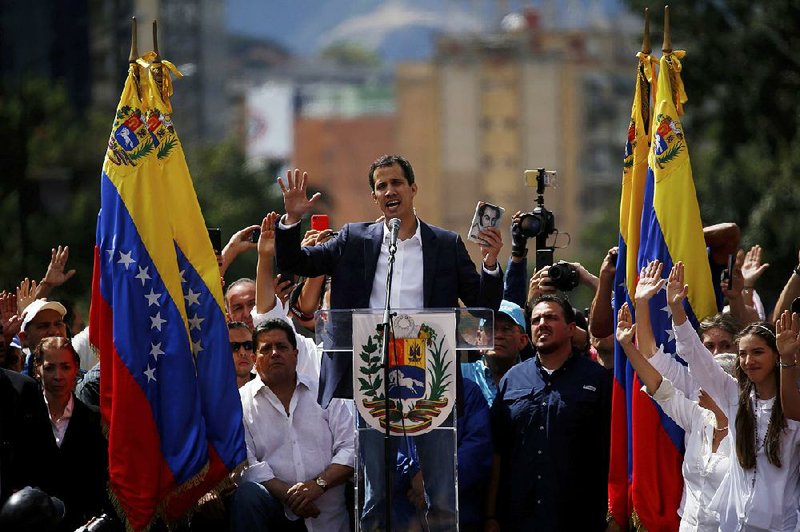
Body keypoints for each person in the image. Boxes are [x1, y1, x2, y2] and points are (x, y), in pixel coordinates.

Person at [275, 155, 503, 530]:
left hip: (432, 376)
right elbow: (300, 263)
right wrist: (291, 221)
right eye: (381, 186)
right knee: (375, 495)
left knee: (442, 495)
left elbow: (482, 307)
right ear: (374, 197)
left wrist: (491, 263)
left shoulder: (445, 244)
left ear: (413, 189)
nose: (389, 191)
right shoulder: (352, 239)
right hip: (373, 375)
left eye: (396, 183)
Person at [667, 261, 800, 531]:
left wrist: (788, 358)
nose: (748, 361)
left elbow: (792, 413)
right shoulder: (733, 395)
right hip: (731, 524)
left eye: (758, 352)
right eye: (742, 354)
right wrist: (676, 308)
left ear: (775, 356)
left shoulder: (791, 402)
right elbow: (696, 355)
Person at [617, 261, 734, 531]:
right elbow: (654, 370)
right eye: (710, 347)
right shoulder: (695, 404)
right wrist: (641, 303)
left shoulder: (754, 405)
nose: (716, 354)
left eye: (726, 345)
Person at [486, 294, 610, 531]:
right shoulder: (512, 380)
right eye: (535, 320)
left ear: (571, 328)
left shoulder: (597, 379)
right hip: (520, 518)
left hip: (580, 518)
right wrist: (491, 515)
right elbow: (498, 452)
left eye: (551, 317)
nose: (542, 323)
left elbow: (614, 450)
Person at [232, 319, 354, 532]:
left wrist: (318, 485)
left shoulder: (324, 392)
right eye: (266, 349)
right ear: (254, 359)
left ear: (295, 354)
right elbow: (247, 465)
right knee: (248, 495)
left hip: (329, 520)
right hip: (277, 517)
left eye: (281, 346)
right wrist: (292, 496)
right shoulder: (239, 403)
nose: (274, 353)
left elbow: (351, 447)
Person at [31, 337, 109, 532]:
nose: (58, 376)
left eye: (65, 367)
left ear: (76, 369)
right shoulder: (24, 416)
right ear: (37, 370)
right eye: (50, 368)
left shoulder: (95, 420)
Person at [461, 299, 528, 406]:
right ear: (478, 339)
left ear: (523, 340)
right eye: (490, 328)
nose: (498, 335)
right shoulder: (460, 375)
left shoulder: (533, 379)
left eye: (506, 329)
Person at [230, 321, 255, 388]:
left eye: (248, 345)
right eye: (234, 347)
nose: (242, 353)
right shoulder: (208, 391)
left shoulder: (270, 387)